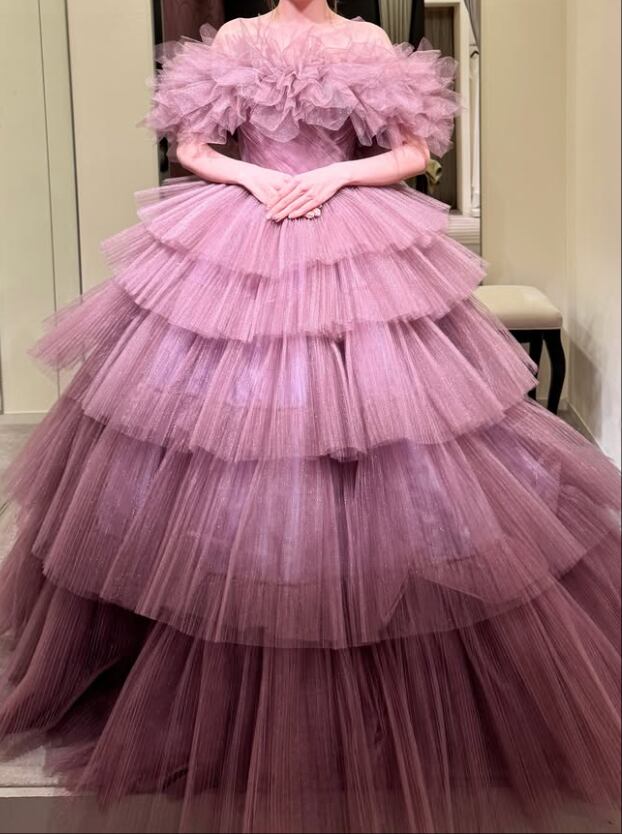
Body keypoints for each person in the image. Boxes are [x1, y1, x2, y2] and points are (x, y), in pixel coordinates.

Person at [0, 2, 620, 832]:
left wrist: (335, 178)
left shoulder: (365, 39)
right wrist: (253, 178)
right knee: (229, 436)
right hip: (243, 235)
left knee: (381, 434)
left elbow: (414, 149)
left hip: (346, 237)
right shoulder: (235, 36)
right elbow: (190, 146)